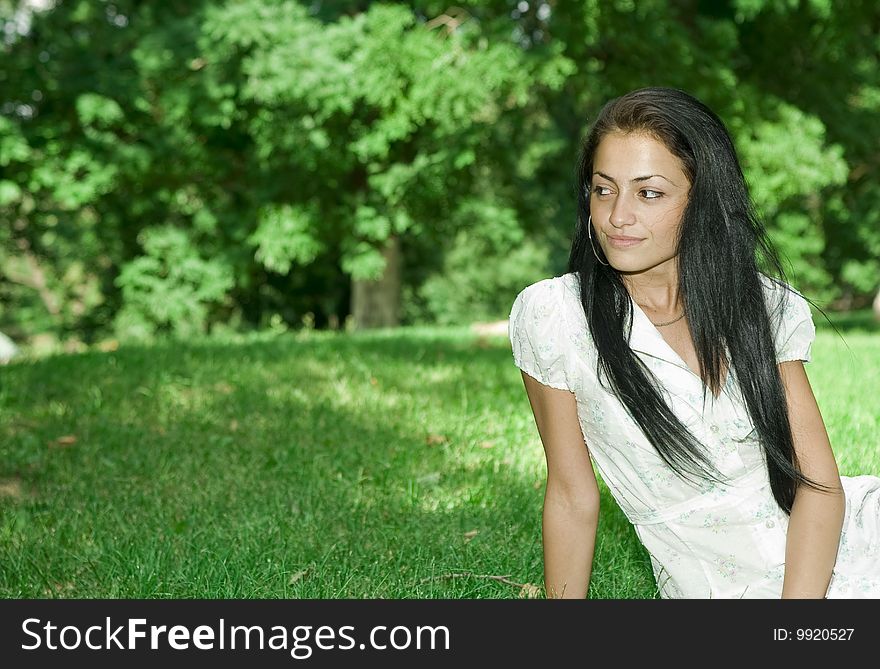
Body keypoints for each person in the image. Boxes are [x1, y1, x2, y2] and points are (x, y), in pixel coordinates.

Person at [508, 86, 880, 599]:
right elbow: (573, 496)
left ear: (700, 201)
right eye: (603, 189)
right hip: (716, 583)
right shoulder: (556, 318)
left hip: (833, 553)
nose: (618, 216)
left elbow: (818, 488)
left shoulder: (759, 307)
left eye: (649, 192)